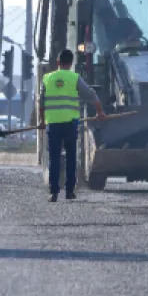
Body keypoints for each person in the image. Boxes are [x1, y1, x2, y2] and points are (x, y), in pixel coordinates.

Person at [39, 49, 105, 202]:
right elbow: (91, 94)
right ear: (71, 63)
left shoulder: (47, 78)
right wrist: (100, 111)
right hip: (70, 124)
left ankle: (53, 192)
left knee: (54, 158)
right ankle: (69, 192)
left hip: (53, 124)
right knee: (71, 158)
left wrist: (42, 121)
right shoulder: (75, 78)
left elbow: (41, 102)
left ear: (58, 62)